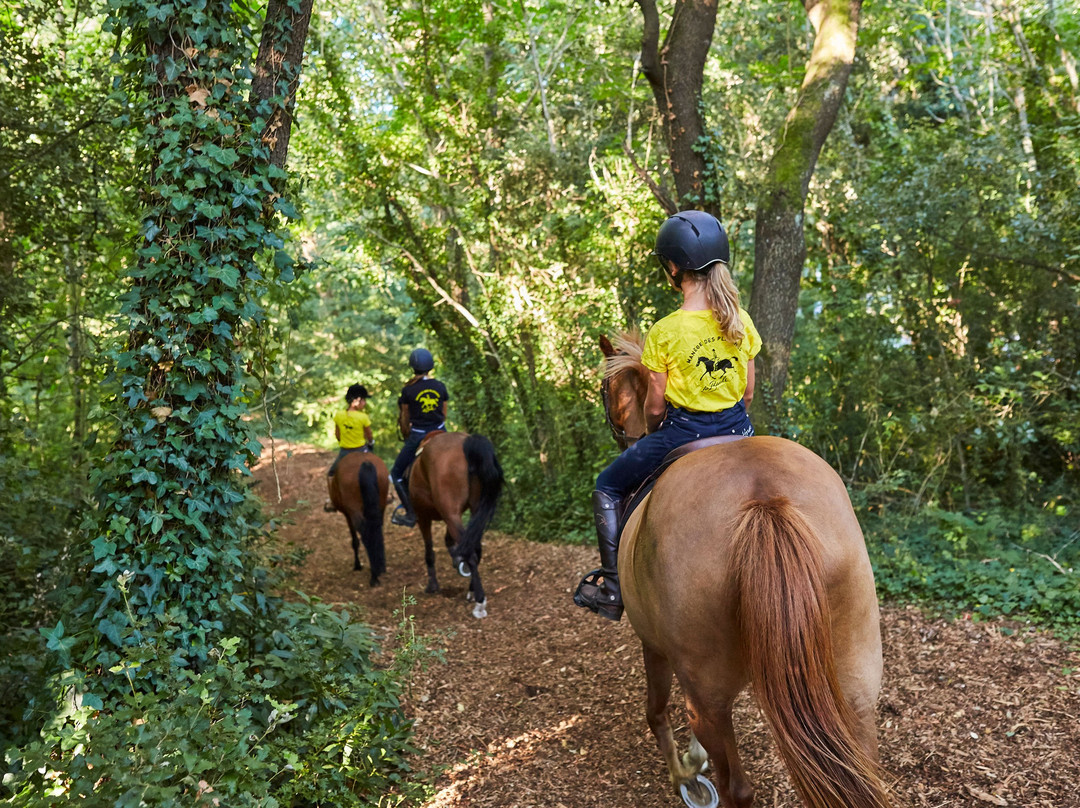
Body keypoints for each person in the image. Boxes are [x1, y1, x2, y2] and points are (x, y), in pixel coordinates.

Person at [575, 210, 761, 621]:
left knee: (607, 485)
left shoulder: (666, 331)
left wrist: (655, 430)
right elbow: (747, 393)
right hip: (740, 428)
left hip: (683, 433)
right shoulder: (741, 321)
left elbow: (655, 407)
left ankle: (612, 590)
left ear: (673, 268)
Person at [390, 348, 450, 527]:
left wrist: (406, 431)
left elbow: (404, 418)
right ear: (430, 366)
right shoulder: (440, 386)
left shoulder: (408, 390)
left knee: (396, 474)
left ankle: (410, 513)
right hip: (441, 430)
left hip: (418, 434)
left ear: (413, 367)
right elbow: (444, 414)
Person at [324, 383, 374, 512]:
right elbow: (369, 435)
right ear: (356, 401)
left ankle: (332, 501)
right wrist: (371, 443)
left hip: (345, 452)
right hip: (362, 450)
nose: (365, 403)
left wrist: (346, 441)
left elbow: (338, 435)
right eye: (363, 400)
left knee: (331, 474)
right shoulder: (363, 417)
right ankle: (386, 495)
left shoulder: (339, 415)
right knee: (377, 470)